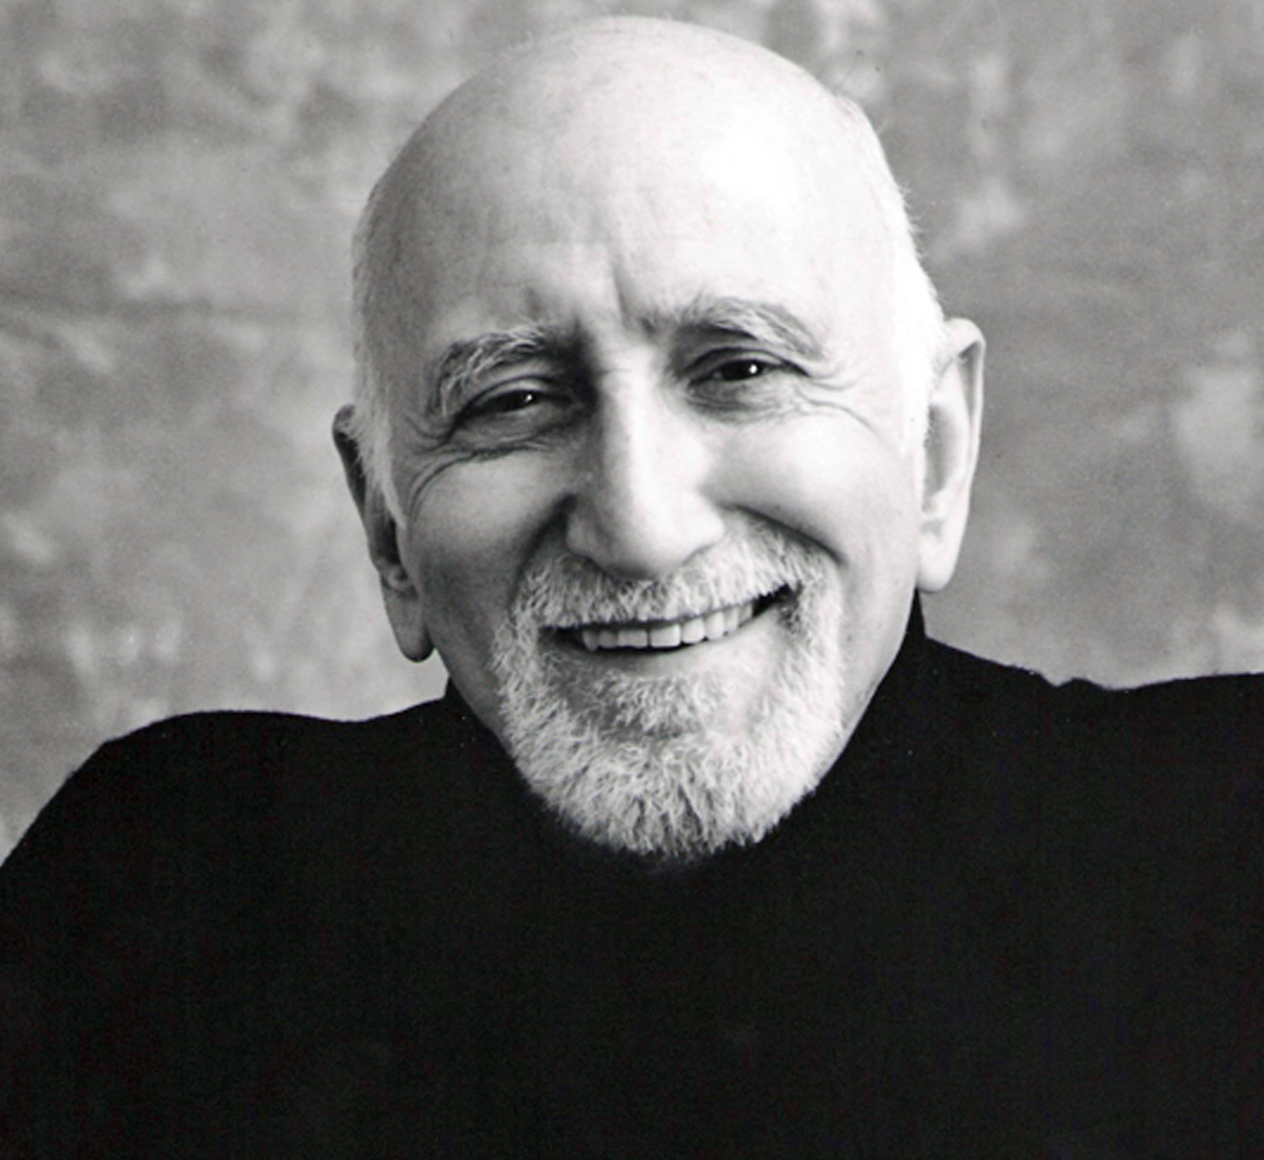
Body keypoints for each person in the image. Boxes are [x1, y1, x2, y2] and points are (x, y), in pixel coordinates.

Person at [0, 16, 1260, 1159]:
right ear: (387, 527)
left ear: (933, 453)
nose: (642, 528)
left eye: (742, 369)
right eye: (513, 399)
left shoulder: (1222, 859)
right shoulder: (168, 897)